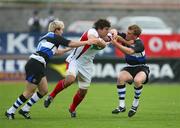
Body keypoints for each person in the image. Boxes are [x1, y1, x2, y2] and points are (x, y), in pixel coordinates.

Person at [5, 20, 99, 120]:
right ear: (56, 30)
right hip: (36, 64)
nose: (62, 32)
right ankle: (10, 111)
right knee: (29, 92)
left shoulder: (46, 37)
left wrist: (68, 50)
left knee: (44, 90)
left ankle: (25, 109)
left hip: (37, 64)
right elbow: (70, 43)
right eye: (61, 29)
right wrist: (87, 42)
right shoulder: (55, 37)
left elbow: (56, 52)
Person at [44, 19, 111, 118]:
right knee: (70, 79)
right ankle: (51, 95)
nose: (107, 32)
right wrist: (104, 42)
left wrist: (112, 35)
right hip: (75, 61)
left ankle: (72, 108)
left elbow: (113, 34)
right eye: (106, 29)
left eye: (108, 30)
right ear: (100, 29)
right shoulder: (92, 31)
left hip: (87, 65)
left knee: (83, 91)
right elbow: (94, 39)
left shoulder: (104, 36)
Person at [111, 25, 150, 117]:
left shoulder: (139, 44)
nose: (126, 34)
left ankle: (135, 103)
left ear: (135, 36)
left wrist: (116, 43)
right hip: (130, 67)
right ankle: (121, 105)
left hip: (142, 67)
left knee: (137, 80)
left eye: (129, 33)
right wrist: (114, 33)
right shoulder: (126, 37)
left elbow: (128, 51)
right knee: (120, 78)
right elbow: (113, 30)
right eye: (127, 32)